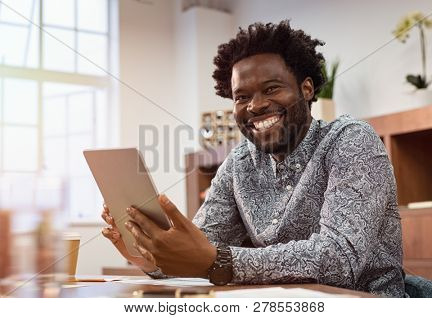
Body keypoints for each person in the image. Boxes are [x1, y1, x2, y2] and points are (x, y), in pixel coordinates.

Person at [101, 20, 405, 297]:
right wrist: (147, 252)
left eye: (271, 89)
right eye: (241, 97)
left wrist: (218, 261)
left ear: (307, 88)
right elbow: (196, 251)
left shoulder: (351, 139)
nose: (256, 106)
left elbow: (341, 259)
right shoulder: (239, 164)